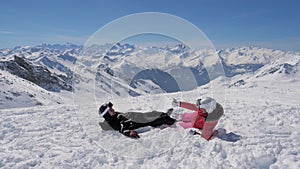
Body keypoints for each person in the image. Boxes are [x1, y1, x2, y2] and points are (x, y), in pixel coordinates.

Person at [98, 102, 176, 139]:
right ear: (106, 114)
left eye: (112, 108)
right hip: (138, 121)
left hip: (137, 116)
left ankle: (164, 114)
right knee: (158, 120)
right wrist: (130, 133)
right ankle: (175, 122)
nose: (113, 109)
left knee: (153, 113)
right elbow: (122, 129)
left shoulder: (114, 115)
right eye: (110, 110)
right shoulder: (114, 122)